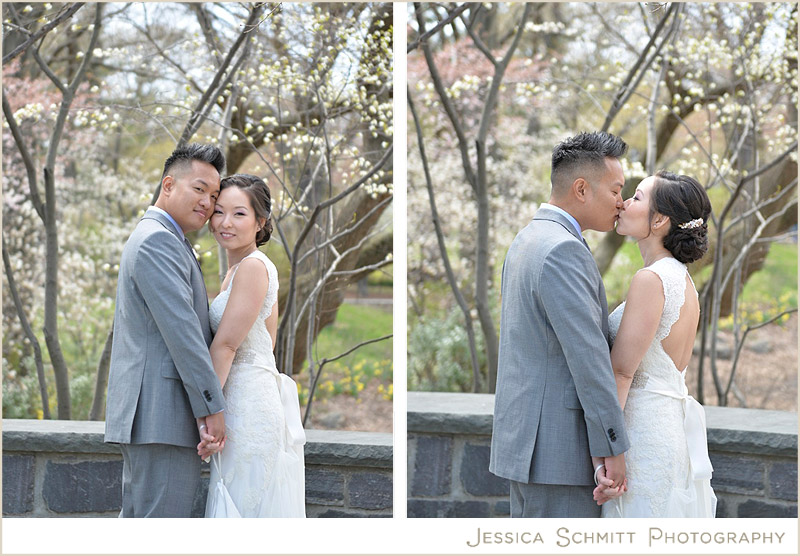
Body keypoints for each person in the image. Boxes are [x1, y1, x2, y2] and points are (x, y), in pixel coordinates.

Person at [490, 131, 630, 518]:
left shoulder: (528, 238)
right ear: (582, 189)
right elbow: (588, 360)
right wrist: (613, 447)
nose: (621, 202)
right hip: (557, 453)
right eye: (616, 190)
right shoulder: (563, 249)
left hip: (528, 447)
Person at [105, 143, 227, 518]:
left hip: (158, 416)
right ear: (169, 184)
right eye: (200, 189)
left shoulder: (167, 238)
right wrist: (213, 408)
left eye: (214, 195)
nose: (207, 202)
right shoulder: (157, 241)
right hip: (160, 414)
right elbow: (184, 335)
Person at [597, 170, 717, 517]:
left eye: (637, 197)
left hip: (642, 436)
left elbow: (621, 373)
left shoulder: (651, 279)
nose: (623, 203)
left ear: (660, 219)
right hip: (666, 428)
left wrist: (610, 450)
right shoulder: (683, 281)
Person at [204, 174, 306, 518]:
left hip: (247, 407)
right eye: (218, 212)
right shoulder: (238, 270)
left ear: (260, 222)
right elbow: (267, 341)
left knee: (245, 506)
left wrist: (205, 411)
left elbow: (228, 346)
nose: (225, 222)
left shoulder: (252, 267)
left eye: (239, 214)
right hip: (245, 396)